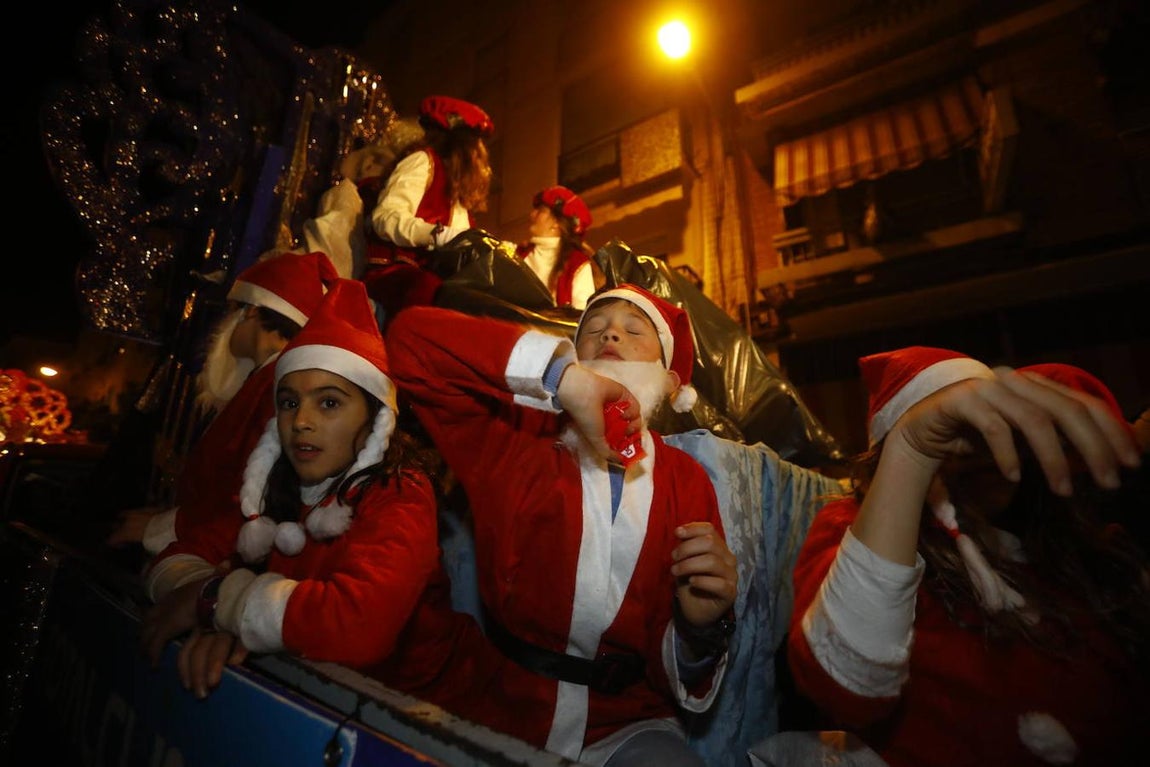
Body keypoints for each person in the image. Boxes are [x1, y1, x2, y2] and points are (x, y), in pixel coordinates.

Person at [387, 284, 738, 766]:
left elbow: (676, 652)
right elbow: (409, 340)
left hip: (628, 723)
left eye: (634, 330)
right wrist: (565, 381)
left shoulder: (688, 481)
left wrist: (701, 626)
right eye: (593, 329)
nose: (610, 333)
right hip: (501, 705)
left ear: (671, 381)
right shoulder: (514, 437)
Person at [138, 278, 501, 716]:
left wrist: (217, 600)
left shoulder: (400, 493)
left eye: (329, 403)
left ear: (374, 419)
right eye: (289, 402)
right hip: (335, 704)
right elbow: (176, 555)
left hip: (436, 719)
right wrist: (219, 613)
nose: (302, 421)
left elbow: (360, 625)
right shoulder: (274, 487)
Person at [785, 346, 1148, 767]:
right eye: (955, 440)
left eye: (990, 434)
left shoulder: (1055, 542)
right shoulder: (854, 528)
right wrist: (913, 451)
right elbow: (846, 684)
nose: (978, 455)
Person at [106, 251, 340, 555]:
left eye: (234, 308)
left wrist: (163, 531)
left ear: (253, 311)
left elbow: (254, 498)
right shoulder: (265, 378)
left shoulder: (279, 384)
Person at [361, 95, 494, 326]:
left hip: (436, 282)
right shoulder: (423, 162)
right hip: (395, 277)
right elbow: (385, 218)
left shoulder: (459, 196)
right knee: (432, 292)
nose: (481, 155)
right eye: (476, 145)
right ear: (460, 144)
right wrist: (434, 234)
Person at [517, 185, 601, 309]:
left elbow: (582, 317)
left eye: (540, 211)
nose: (532, 214)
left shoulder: (577, 264)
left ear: (556, 223)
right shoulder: (517, 253)